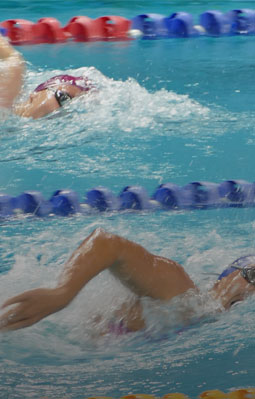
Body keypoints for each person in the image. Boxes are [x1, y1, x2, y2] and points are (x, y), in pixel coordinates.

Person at [1, 228, 255, 333]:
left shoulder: (197, 320)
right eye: (251, 275)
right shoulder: (179, 288)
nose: (252, 291)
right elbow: (107, 243)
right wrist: (62, 293)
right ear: (227, 276)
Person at [0, 34, 94, 119]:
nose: (63, 111)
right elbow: (12, 58)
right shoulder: (6, 98)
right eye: (64, 99)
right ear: (34, 95)